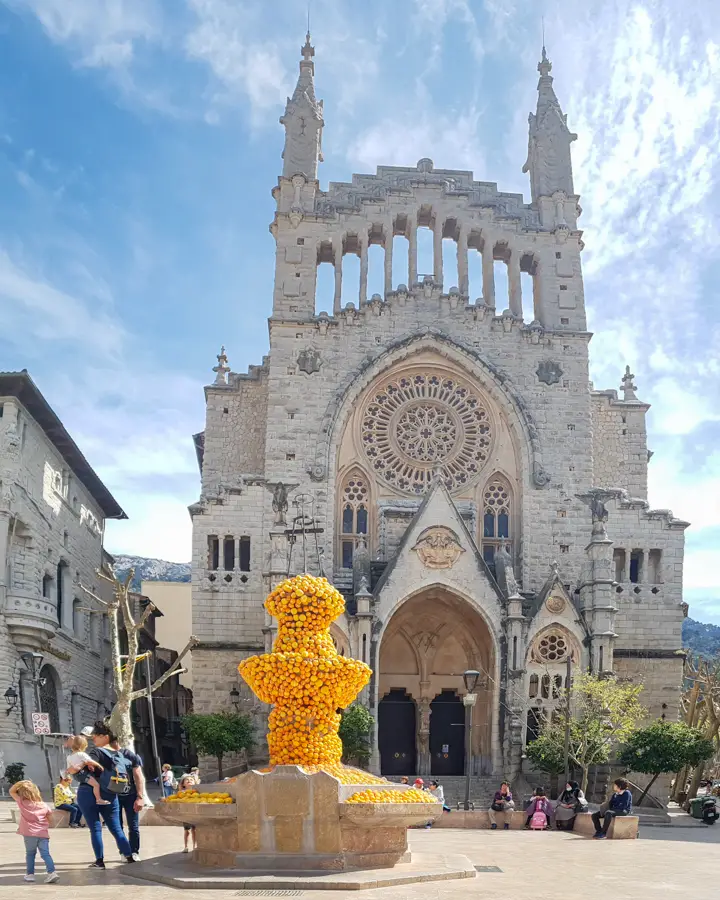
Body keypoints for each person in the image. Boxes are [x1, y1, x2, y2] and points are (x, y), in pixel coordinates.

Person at [67, 721, 136, 868]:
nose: (93, 740)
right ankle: (128, 856)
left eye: (95, 737)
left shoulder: (95, 752)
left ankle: (100, 861)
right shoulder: (117, 753)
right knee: (116, 828)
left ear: (104, 737)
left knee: (95, 828)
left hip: (88, 791)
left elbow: (83, 770)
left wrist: (74, 769)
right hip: (111, 791)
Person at [9, 780, 59, 883]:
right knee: (45, 854)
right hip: (43, 833)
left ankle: (30, 874)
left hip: (29, 834)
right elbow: (51, 819)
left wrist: (21, 783)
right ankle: (52, 872)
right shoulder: (43, 805)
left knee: (30, 854)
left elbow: (11, 791)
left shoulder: (22, 803)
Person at [109, 737, 146, 860]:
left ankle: (134, 851)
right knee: (117, 826)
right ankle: (124, 852)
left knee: (133, 826)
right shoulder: (104, 755)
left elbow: (138, 776)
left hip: (131, 795)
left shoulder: (129, 755)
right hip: (114, 796)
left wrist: (140, 797)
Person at [66, 734, 111, 806]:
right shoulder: (82, 754)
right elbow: (89, 761)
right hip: (82, 773)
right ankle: (98, 799)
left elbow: (71, 768)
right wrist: (98, 765)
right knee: (96, 785)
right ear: (83, 746)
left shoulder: (69, 756)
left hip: (75, 775)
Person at [177, 775, 198, 853]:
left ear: (194, 782)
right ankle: (186, 846)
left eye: (191, 779)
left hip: (195, 813)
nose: (189, 780)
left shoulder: (196, 791)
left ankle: (194, 846)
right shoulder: (182, 792)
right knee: (187, 830)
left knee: (194, 830)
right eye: (187, 780)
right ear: (183, 784)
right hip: (185, 813)